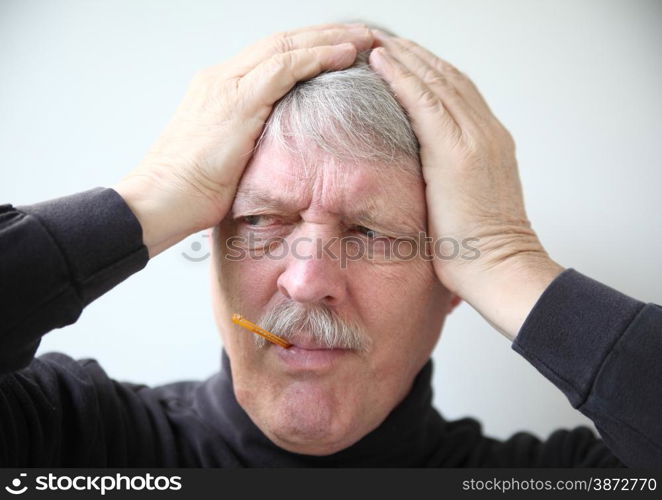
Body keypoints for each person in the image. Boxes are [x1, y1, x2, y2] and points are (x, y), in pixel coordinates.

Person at [0, 22, 660, 467]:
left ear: (454, 283)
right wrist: (154, 195)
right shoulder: (65, 438)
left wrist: (505, 256)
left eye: (371, 233)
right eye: (261, 222)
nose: (308, 280)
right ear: (212, 243)